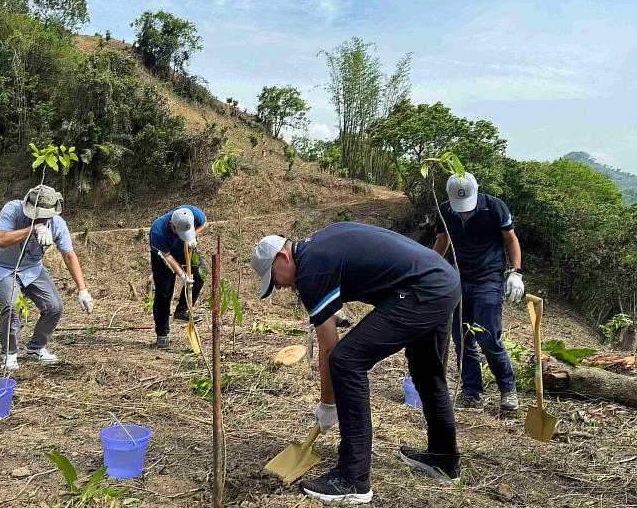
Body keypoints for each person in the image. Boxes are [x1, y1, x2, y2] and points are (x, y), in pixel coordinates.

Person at [251, 222, 462, 504]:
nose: (277, 286)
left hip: (423, 289)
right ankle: (444, 459)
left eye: (273, 278)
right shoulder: (318, 246)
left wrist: (328, 405)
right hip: (442, 280)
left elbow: (329, 347)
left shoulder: (311, 268)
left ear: (283, 257)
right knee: (426, 369)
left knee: (346, 360)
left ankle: (353, 477)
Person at [433, 172, 524, 411]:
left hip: (488, 280)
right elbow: (442, 241)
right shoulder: (444, 210)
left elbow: (511, 239)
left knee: (488, 337)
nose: (463, 212)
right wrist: (429, 269)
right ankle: (471, 392)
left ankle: (507, 389)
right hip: (458, 279)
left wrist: (516, 272)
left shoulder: (494, 207)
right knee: (462, 339)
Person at [0, 185, 94, 370]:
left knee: (54, 307)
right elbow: (2, 240)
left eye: (43, 216)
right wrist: (33, 228)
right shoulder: (12, 209)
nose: (40, 218)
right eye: (36, 214)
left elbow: (69, 256)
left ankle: (35, 348)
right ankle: (9, 353)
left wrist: (82, 289)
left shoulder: (57, 224)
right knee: (11, 306)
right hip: (5, 268)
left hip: (32, 269)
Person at [148, 205, 207, 349]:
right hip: (163, 256)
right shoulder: (157, 231)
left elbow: (205, 222)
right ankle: (162, 335)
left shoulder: (191, 212)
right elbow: (167, 257)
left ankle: (182, 311)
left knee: (200, 273)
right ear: (171, 225)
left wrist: (193, 236)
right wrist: (182, 275)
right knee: (164, 293)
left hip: (185, 246)